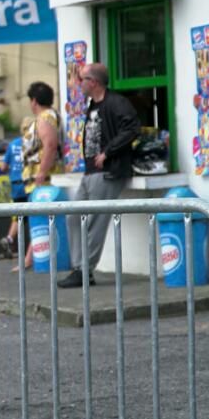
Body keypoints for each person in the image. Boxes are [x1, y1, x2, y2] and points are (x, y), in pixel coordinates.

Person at [58, 63, 140, 289]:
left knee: (95, 221)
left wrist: (108, 152)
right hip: (90, 171)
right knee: (74, 216)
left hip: (108, 172)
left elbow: (132, 128)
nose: (78, 83)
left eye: (82, 79)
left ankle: (84, 270)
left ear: (93, 82)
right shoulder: (92, 105)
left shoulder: (116, 103)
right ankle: (79, 268)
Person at [20, 82, 61, 193]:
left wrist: (42, 172)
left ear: (34, 101)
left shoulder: (45, 118)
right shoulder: (50, 116)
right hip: (41, 181)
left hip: (42, 182)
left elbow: (50, 145)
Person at [0, 132, 31, 269]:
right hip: (29, 183)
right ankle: (31, 251)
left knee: (18, 216)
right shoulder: (32, 143)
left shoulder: (12, 145)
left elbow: (3, 167)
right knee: (33, 216)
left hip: (15, 184)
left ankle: (10, 238)